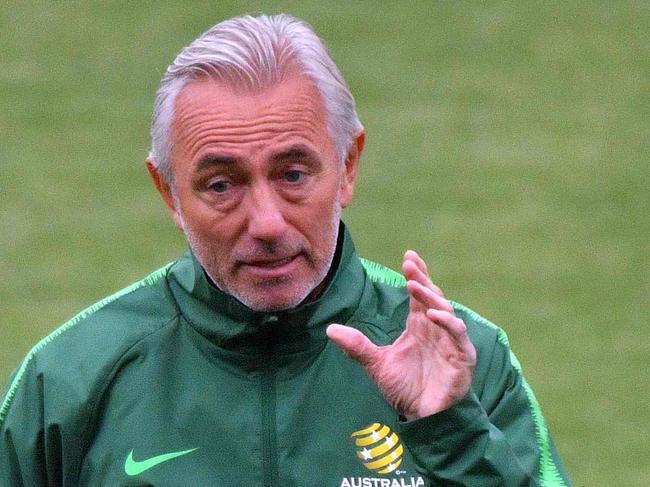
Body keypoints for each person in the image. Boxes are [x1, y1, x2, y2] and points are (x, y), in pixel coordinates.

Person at [0, 13, 571, 486]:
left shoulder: (465, 363)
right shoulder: (70, 382)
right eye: (222, 185)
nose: (267, 223)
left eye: (293, 174)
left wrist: (452, 432)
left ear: (347, 167)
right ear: (169, 192)